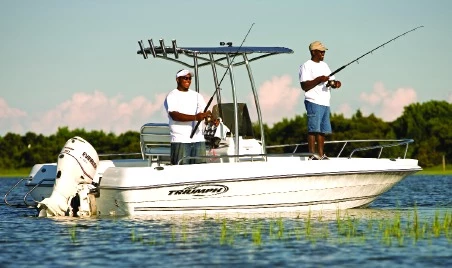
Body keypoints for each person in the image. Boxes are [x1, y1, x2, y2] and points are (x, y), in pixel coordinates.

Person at [299, 41, 342, 160]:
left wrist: (335, 84)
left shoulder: (324, 65)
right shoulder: (306, 65)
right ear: (313, 52)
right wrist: (319, 79)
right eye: (321, 51)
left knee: (322, 131)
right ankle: (312, 155)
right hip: (313, 101)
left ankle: (321, 155)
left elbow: (330, 81)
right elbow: (304, 86)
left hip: (325, 102)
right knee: (313, 129)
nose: (323, 53)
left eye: (324, 51)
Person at [164, 69, 211, 165]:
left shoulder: (197, 95)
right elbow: (174, 115)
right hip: (180, 141)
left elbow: (205, 112)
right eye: (185, 78)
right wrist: (195, 117)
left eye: (189, 78)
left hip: (199, 140)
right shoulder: (172, 96)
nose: (188, 80)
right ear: (177, 79)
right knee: (180, 173)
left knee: (200, 171)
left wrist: (210, 118)